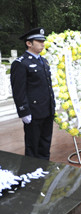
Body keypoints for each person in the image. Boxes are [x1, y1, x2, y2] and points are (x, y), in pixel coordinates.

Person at [10, 27, 55, 160]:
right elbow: (18, 90)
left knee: (45, 142)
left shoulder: (44, 61)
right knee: (33, 145)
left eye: (43, 41)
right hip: (33, 111)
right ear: (29, 43)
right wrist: (24, 111)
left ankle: (44, 168)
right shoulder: (21, 63)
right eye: (39, 41)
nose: (42, 44)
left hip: (47, 109)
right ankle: (31, 173)